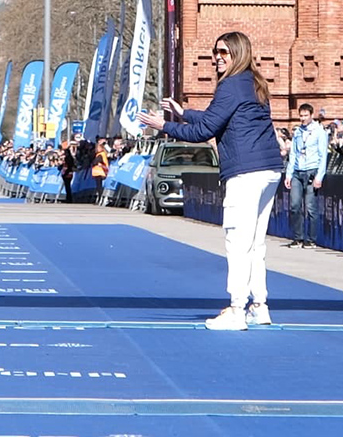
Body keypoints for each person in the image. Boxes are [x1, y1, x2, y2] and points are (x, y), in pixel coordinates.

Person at [138, 31, 284, 331]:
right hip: (268, 168)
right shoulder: (254, 84)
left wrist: (163, 125)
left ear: (238, 54)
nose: (217, 57)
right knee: (255, 242)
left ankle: (236, 309)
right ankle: (260, 305)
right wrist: (184, 113)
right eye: (215, 52)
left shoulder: (230, 85)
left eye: (224, 52)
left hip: (245, 170)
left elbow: (203, 132)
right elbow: (215, 119)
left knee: (237, 240)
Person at [284, 103, 328, 249]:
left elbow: (323, 155)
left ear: (311, 115)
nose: (303, 119)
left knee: (310, 207)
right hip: (297, 171)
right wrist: (289, 174)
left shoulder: (319, 131)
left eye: (305, 116)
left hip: (311, 170)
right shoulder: (297, 132)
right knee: (295, 205)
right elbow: (293, 154)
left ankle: (311, 239)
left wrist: (319, 177)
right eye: (301, 116)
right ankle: (298, 237)